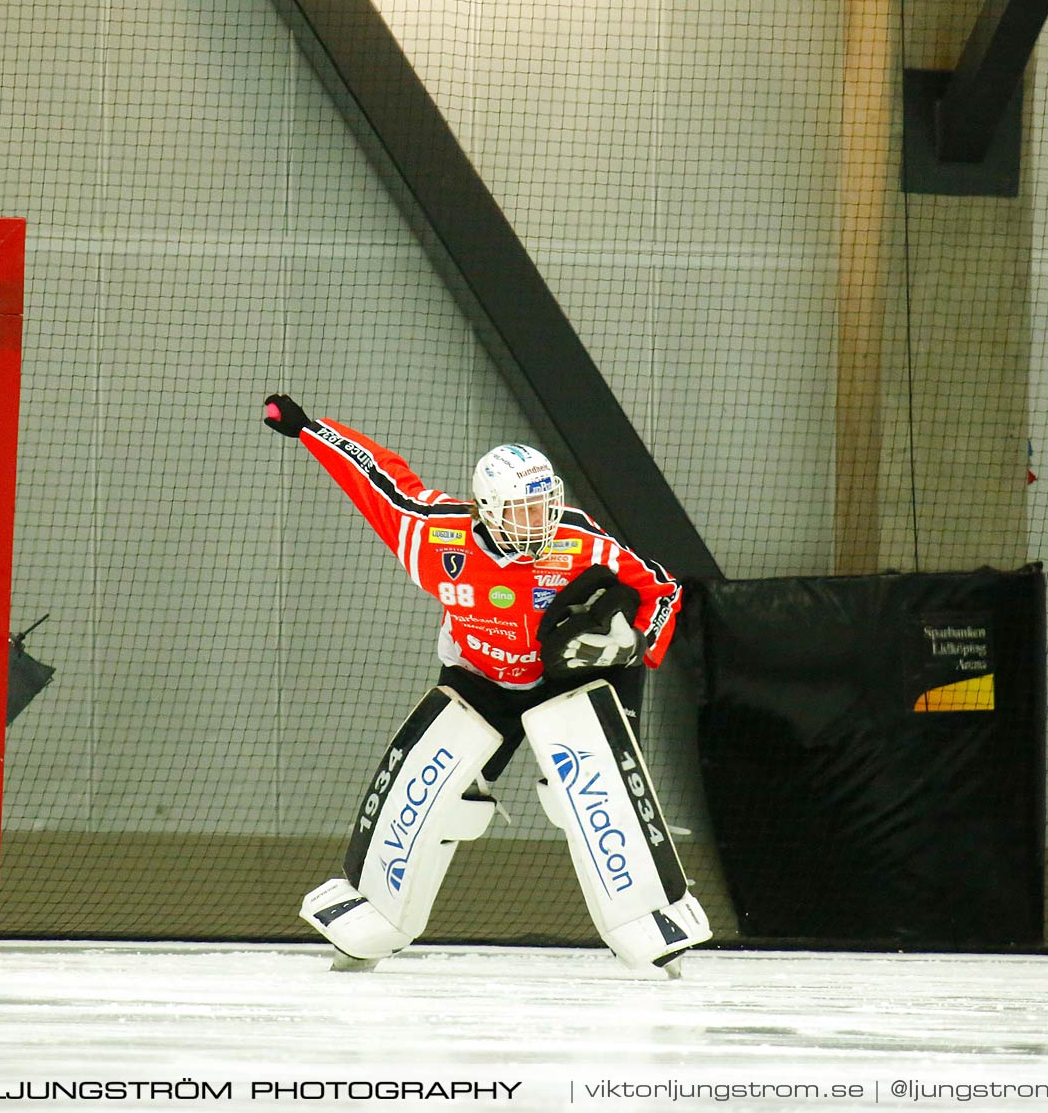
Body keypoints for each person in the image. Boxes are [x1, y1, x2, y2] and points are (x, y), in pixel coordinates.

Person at [262, 394, 711, 976]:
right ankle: (374, 913)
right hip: (479, 676)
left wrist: (634, 645)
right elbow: (375, 476)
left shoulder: (581, 541)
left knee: (587, 792)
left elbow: (662, 590)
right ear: (488, 509)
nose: (542, 522)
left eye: (548, 505)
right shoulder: (434, 538)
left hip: (568, 676)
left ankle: (654, 920)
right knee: (445, 799)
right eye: (526, 510)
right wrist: (307, 428)